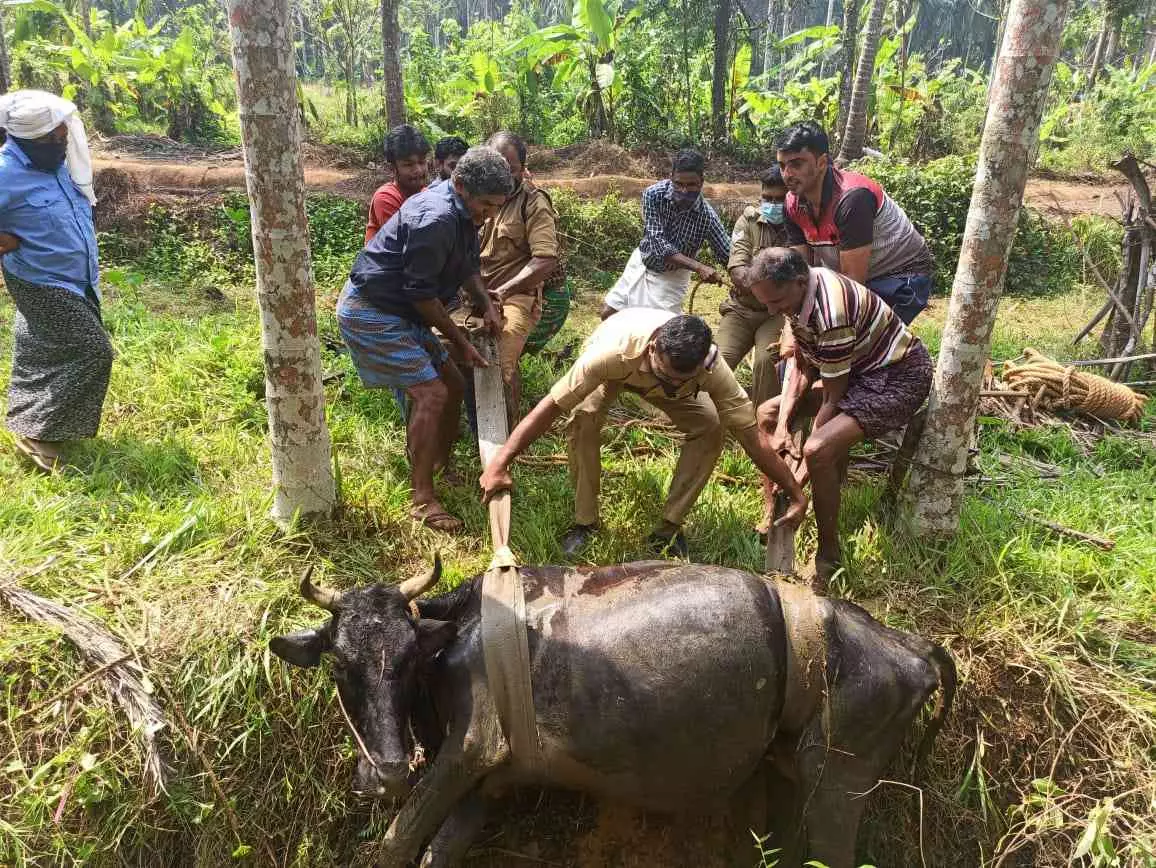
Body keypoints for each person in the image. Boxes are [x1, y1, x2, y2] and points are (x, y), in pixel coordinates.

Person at [479, 311, 808, 558]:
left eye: (682, 380)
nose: (672, 384)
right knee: (584, 419)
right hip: (615, 369)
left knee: (710, 425)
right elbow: (550, 407)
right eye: (667, 374)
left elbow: (752, 438)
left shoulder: (712, 368)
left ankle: (668, 528)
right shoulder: (609, 354)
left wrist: (794, 491)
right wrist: (500, 463)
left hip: (657, 373)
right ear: (653, 349)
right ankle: (585, 523)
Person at [338, 146, 512, 533]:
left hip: (401, 308)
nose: (489, 214)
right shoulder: (435, 218)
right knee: (431, 393)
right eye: (485, 205)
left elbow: (466, 265)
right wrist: (461, 342)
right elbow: (421, 296)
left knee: (452, 383)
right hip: (372, 311)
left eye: (496, 206)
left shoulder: (465, 211)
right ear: (461, 185)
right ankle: (422, 499)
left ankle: (437, 466)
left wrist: (486, 303)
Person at [748, 247, 933, 590]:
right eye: (766, 304)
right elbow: (803, 364)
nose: (772, 311)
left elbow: (832, 398)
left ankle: (828, 556)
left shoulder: (832, 312)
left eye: (776, 302)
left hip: (897, 378)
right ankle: (773, 510)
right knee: (766, 414)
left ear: (798, 282)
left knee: (818, 450)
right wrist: (784, 426)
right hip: (855, 372)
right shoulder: (798, 297)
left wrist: (799, 478)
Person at [0, 90, 110, 473]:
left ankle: (27, 415)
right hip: (41, 279)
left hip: (78, 278)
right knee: (93, 350)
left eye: (64, 135)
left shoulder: (58, 165)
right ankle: (40, 434)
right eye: (53, 138)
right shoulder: (5, 174)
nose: (62, 142)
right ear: (27, 138)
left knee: (43, 345)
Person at [775, 121, 934, 324]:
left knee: (868, 336)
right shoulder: (791, 205)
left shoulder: (852, 199)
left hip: (901, 276)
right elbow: (801, 271)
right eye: (782, 166)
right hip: (857, 276)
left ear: (822, 163)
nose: (787, 175)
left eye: (797, 164)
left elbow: (852, 284)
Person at [480, 131, 560, 419]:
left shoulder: (533, 202)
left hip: (515, 298)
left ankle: (510, 429)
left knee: (500, 362)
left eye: (510, 169)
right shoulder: (475, 197)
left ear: (523, 168)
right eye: (496, 166)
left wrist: (503, 292)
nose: (502, 175)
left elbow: (545, 260)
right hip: (476, 293)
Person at [601, 149, 730, 319]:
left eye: (691, 185)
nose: (684, 191)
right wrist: (699, 267)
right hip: (643, 261)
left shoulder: (707, 217)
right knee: (608, 314)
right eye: (679, 184)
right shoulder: (653, 195)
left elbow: (727, 253)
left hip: (673, 275)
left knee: (659, 326)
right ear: (671, 178)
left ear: (701, 183)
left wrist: (743, 275)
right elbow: (659, 245)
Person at [720, 164, 792, 408]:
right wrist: (774, 285)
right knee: (719, 360)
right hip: (741, 309)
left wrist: (753, 281)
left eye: (779, 199)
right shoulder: (748, 221)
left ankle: (765, 421)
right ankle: (708, 416)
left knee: (766, 361)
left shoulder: (798, 226)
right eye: (767, 198)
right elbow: (737, 271)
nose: (772, 204)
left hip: (777, 313)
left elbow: (799, 277)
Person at [365, 124, 430, 243]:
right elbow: (407, 243)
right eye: (408, 165)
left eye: (422, 162)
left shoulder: (427, 193)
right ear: (392, 168)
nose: (418, 170)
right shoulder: (386, 197)